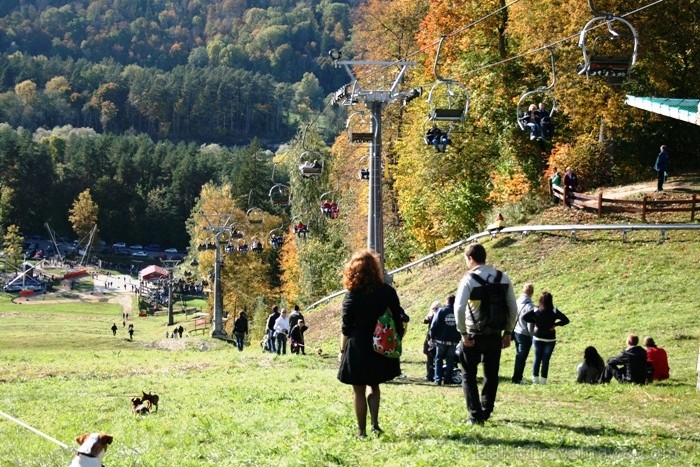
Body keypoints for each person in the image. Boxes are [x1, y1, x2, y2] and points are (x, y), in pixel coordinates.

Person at [337, 249, 405, 438]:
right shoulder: (388, 292)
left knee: (358, 390)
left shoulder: (352, 295)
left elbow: (346, 327)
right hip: (380, 343)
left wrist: (342, 350)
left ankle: (362, 431)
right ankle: (375, 424)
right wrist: (396, 339)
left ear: (353, 271)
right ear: (375, 269)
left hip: (358, 346)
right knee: (374, 385)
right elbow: (398, 320)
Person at [454, 243, 517, 425]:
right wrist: (508, 332)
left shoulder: (469, 279)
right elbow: (513, 307)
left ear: (470, 258)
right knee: (491, 374)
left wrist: (463, 334)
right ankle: (486, 409)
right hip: (495, 333)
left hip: (473, 333)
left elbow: (459, 308)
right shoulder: (502, 277)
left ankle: (475, 415)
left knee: (468, 374)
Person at [522, 292, 570, 384]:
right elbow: (566, 320)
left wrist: (535, 321)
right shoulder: (554, 310)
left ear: (541, 300)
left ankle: (535, 379)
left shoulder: (536, 310)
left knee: (537, 359)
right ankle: (543, 380)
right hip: (550, 338)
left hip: (538, 336)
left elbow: (524, 317)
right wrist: (555, 324)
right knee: (546, 360)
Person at [430, 295, 460, 385]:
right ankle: (448, 379)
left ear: (447, 301)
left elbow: (434, 325)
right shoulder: (458, 311)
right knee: (450, 360)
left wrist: (432, 336)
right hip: (454, 341)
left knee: (439, 359)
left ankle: (437, 379)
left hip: (441, 340)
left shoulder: (441, 311)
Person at [511, 283, 536, 384]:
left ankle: (517, 377)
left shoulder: (516, 302)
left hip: (516, 331)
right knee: (521, 357)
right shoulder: (530, 306)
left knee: (519, 355)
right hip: (525, 334)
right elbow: (530, 325)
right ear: (532, 293)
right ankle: (517, 378)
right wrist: (532, 336)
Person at [423, 300, 441, 381]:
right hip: (430, 338)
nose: (435, 310)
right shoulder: (430, 316)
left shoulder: (441, 315)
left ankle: (437, 375)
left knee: (438, 358)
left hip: (438, 339)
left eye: (437, 308)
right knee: (430, 358)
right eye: (434, 308)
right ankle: (430, 375)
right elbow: (425, 320)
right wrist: (431, 316)